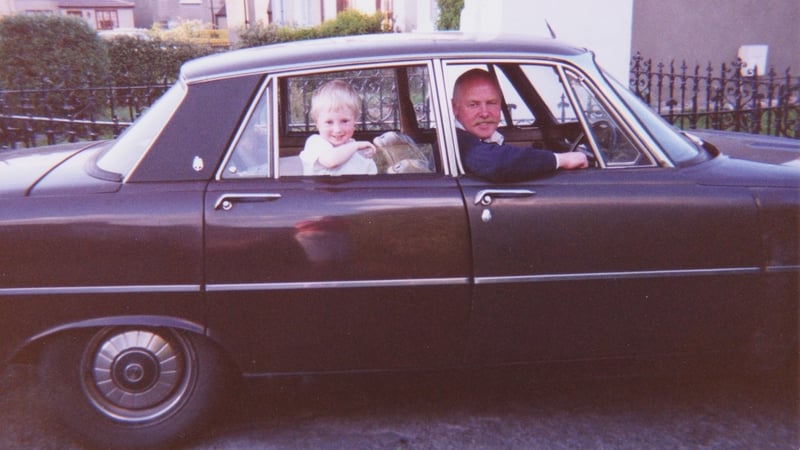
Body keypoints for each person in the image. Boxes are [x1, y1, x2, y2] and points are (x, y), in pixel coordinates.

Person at [452, 68, 588, 182]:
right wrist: (561, 159)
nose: (485, 113)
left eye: (491, 103)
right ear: (455, 108)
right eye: (473, 105)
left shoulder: (478, 139)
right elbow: (496, 162)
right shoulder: (458, 140)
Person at [299, 79, 377, 176]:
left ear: (355, 120)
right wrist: (356, 145)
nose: (337, 129)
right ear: (317, 123)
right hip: (320, 191)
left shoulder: (357, 151)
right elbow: (330, 161)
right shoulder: (315, 143)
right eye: (329, 122)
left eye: (344, 121)